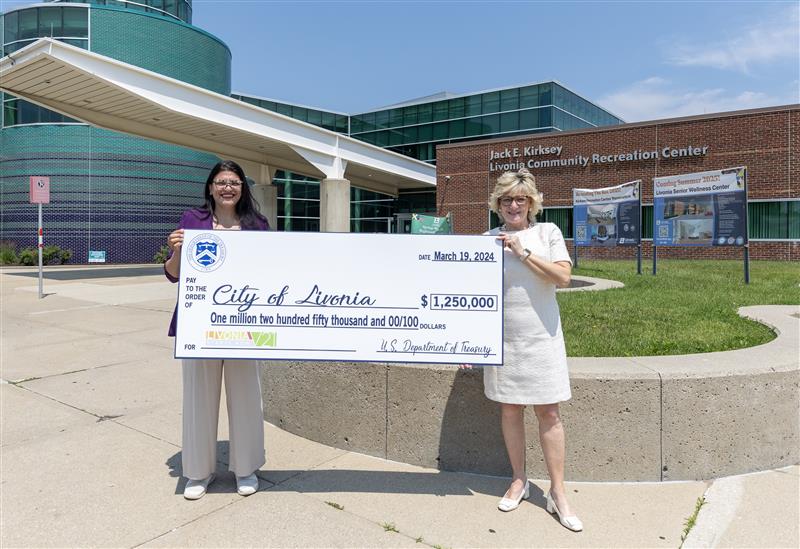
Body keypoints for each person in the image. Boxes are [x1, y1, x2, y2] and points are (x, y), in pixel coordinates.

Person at [464, 168, 582, 531]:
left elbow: (562, 276)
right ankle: (519, 479)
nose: (513, 205)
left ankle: (558, 492)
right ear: (497, 205)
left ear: (532, 202)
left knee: (549, 412)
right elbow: (474, 297)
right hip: (504, 342)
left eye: (520, 199)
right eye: (506, 199)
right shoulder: (487, 239)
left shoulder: (547, 233)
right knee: (510, 408)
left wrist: (522, 250)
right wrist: (468, 342)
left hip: (541, 339)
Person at [164, 160, 270, 500]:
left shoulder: (259, 225)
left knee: (246, 398)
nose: (228, 187)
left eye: (235, 182)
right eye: (222, 182)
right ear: (210, 187)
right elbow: (173, 274)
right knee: (198, 399)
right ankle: (197, 472)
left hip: (244, 325)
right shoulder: (191, 222)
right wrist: (177, 250)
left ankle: (246, 468)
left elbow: (273, 271)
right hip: (199, 325)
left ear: (243, 188)